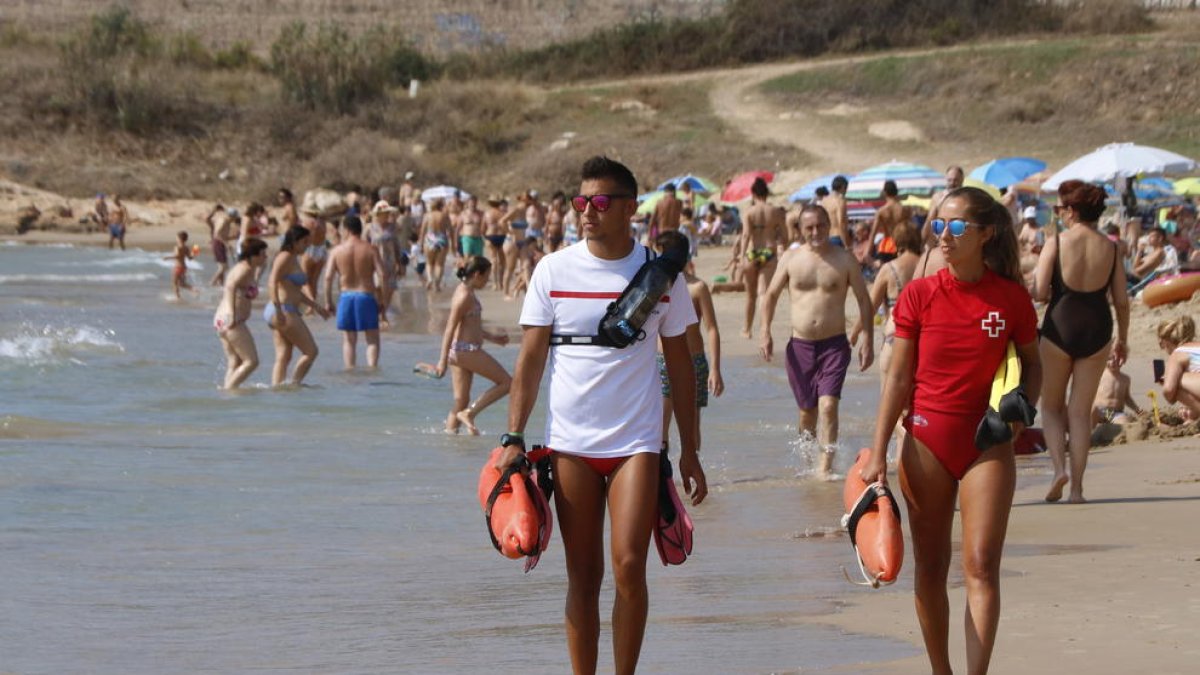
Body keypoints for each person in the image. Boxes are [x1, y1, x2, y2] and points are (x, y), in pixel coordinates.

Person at [496, 156, 706, 675]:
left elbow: (681, 367)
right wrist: (513, 435)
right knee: (583, 577)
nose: (587, 211)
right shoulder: (553, 270)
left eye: (601, 202)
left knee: (630, 566)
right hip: (570, 445)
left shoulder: (661, 275)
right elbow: (530, 361)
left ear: (630, 209)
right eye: (581, 201)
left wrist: (690, 449)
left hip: (637, 442)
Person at [863, 186, 1042, 675]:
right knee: (930, 567)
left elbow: (1033, 363)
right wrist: (878, 451)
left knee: (981, 565)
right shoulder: (919, 294)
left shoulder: (1010, 298)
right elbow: (898, 378)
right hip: (926, 440)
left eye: (957, 226)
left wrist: (1023, 409)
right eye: (939, 225)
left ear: (986, 234)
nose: (944, 235)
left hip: (988, 441)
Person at [760, 204, 874, 476]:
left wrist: (868, 339)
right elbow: (771, 295)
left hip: (834, 345)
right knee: (807, 413)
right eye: (809, 227)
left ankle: (825, 470)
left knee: (828, 405)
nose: (815, 232)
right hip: (799, 347)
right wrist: (765, 331)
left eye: (820, 225)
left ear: (828, 225)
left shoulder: (844, 259)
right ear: (800, 229)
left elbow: (864, 300)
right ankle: (808, 458)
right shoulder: (791, 259)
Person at [1035, 180, 1130, 504]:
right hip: (1097, 328)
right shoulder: (1111, 248)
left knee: (1050, 406)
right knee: (1079, 412)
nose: (1059, 213)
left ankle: (1058, 469)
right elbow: (1121, 301)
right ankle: (1076, 489)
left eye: (1060, 208)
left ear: (1072, 211)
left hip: (1060, 326)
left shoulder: (1056, 242)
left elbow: (1040, 291)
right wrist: (1123, 339)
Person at [655, 231, 724, 451]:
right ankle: (662, 470)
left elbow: (711, 328)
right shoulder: (655, 287)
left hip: (694, 360)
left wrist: (715, 369)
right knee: (660, 422)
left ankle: (692, 466)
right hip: (662, 360)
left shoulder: (697, 288)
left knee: (692, 424)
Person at [434, 256, 511, 434]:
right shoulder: (464, 296)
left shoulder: (466, 291)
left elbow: (470, 326)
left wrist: (493, 338)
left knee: (461, 400)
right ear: (477, 274)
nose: (487, 281)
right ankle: (470, 413)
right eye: (486, 277)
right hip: (466, 351)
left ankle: (450, 438)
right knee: (508, 383)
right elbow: (450, 328)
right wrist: (441, 361)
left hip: (460, 351)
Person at [267, 226, 329, 387]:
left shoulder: (293, 258)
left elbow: (296, 292)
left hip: (283, 309)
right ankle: (293, 385)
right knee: (311, 351)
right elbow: (272, 282)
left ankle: (277, 390)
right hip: (283, 310)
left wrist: (317, 307)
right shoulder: (285, 257)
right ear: (294, 242)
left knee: (284, 356)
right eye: (305, 242)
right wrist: (278, 309)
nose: (307, 245)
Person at [324, 215, 384, 370]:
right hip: (366, 295)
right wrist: (381, 299)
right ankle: (372, 370)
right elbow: (382, 275)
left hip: (346, 297)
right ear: (360, 229)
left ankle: (350, 370)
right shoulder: (371, 249)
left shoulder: (336, 251)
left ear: (346, 230)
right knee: (372, 338)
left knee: (349, 340)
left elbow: (328, 277)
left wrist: (328, 301)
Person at [214, 238, 268, 389]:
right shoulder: (245, 269)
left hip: (221, 319)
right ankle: (229, 390)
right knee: (251, 362)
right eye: (263, 254)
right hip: (231, 319)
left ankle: (228, 396)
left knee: (235, 361)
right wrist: (232, 314)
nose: (265, 257)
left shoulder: (244, 267)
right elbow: (230, 287)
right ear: (253, 255)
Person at [737, 177, 788, 338]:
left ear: (753, 194)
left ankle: (746, 329)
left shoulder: (749, 212)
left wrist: (741, 257)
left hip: (752, 253)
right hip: (769, 252)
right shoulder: (776, 212)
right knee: (764, 293)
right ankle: (763, 329)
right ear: (767, 193)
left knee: (750, 295)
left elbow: (746, 235)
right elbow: (785, 236)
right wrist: (782, 245)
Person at [1157, 315, 1200, 419]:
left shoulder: (1178, 353)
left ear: (1166, 341)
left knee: (1173, 380)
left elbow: (1168, 390)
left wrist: (1164, 381)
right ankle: (1193, 415)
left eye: (1162, 345)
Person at [367, 200, 403, 327]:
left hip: (390, 262)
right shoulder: (369, 228)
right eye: (385, 213)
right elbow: (364, 245)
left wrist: (400, 263)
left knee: (390, 289)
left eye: (388, 212)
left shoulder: (393, 227)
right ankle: (380, 315)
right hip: (375, 263)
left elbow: (397, 245)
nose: (387, 215)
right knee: (378, 289)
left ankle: (383, 313)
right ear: (378, 214)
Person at [1092, 354, 1142, 426]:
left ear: (1123, 361)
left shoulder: (1125, 379)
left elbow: (1127, 398)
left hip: (1116, 413)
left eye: (1117, 359)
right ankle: (1090, 430)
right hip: (1099, 410)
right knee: (1092, 411)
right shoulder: (1100, 374)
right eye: (1109, 359)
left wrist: (1137, 409)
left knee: (1124, 422)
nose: (1112, 362)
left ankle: (1113, 426)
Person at [923, 165, 965, 249]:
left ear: (962, 180)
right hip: (939, 241)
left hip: (959, 242)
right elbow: (929, 220)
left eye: (956, 180)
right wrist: (924, 240)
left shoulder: (966, 199)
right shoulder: (938, 197)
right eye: (950, 180)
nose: (952, 183)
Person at [419, 198, 452, 291]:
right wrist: (453, 244)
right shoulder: (444, 216)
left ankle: (430, 279)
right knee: (439, 264)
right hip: (442, 238)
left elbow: (422, 231)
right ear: (441, 206)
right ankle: (437, 284)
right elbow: (450, 230)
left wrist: (421, 244)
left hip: (430, 238)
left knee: (429, 262)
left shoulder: (427, 215)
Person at [299, 204, 330, 302]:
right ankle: (313, 305)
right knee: (314, 281)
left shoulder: (306, 222)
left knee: (304, 281)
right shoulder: (322, 222)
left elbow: (302, 238)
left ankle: (311, 301)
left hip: (310, 249)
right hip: (322, 250)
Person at [869, 180, 904, 264]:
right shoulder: (903, 210)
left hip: (887, 245)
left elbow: (873, 233)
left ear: (885, 192)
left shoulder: (881, 211)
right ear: (896, 192)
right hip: (901, 244)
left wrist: (868, 252)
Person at [206, 204, 238, 287]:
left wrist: (233, 237)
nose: (235, 219)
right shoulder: (223, 221)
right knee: (224, 267)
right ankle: (211, 283)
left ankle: (221, 285)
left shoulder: (227, 222)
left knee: (222, 267)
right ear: (232, 216)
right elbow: (217, 235)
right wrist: (226, 244)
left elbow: (223, 236)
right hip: (218, 243)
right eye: (235, 217)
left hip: (220, 243)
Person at [1016, 205, 1044, 289]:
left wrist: (1032, 250)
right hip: (1025, 256)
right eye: (1028, 218)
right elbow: (1019, 240)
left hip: (1033, 258)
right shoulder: (1025, 227)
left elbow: (1040, 247)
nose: (1029, 220)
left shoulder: (1039, 230)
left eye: (1031, 218)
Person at [163, 230, 195, 299]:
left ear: (180, 239)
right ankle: (194, 290)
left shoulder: (177, 247)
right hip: (184, 267)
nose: (176, 239)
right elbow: (190, 258)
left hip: (178, 267)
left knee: (175, 283)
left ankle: (177, 297)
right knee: (181, 283)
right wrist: (193, 254)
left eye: (177, 238)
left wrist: (168, 257)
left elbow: (177, 255)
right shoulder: (186, 248)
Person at [821, 175, 850, 247]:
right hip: (838, 237)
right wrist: (846, 244)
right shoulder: (840, 201)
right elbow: (841, 223)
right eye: (846, 188)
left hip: (826, 237)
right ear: (843, 187)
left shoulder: (823, 201)